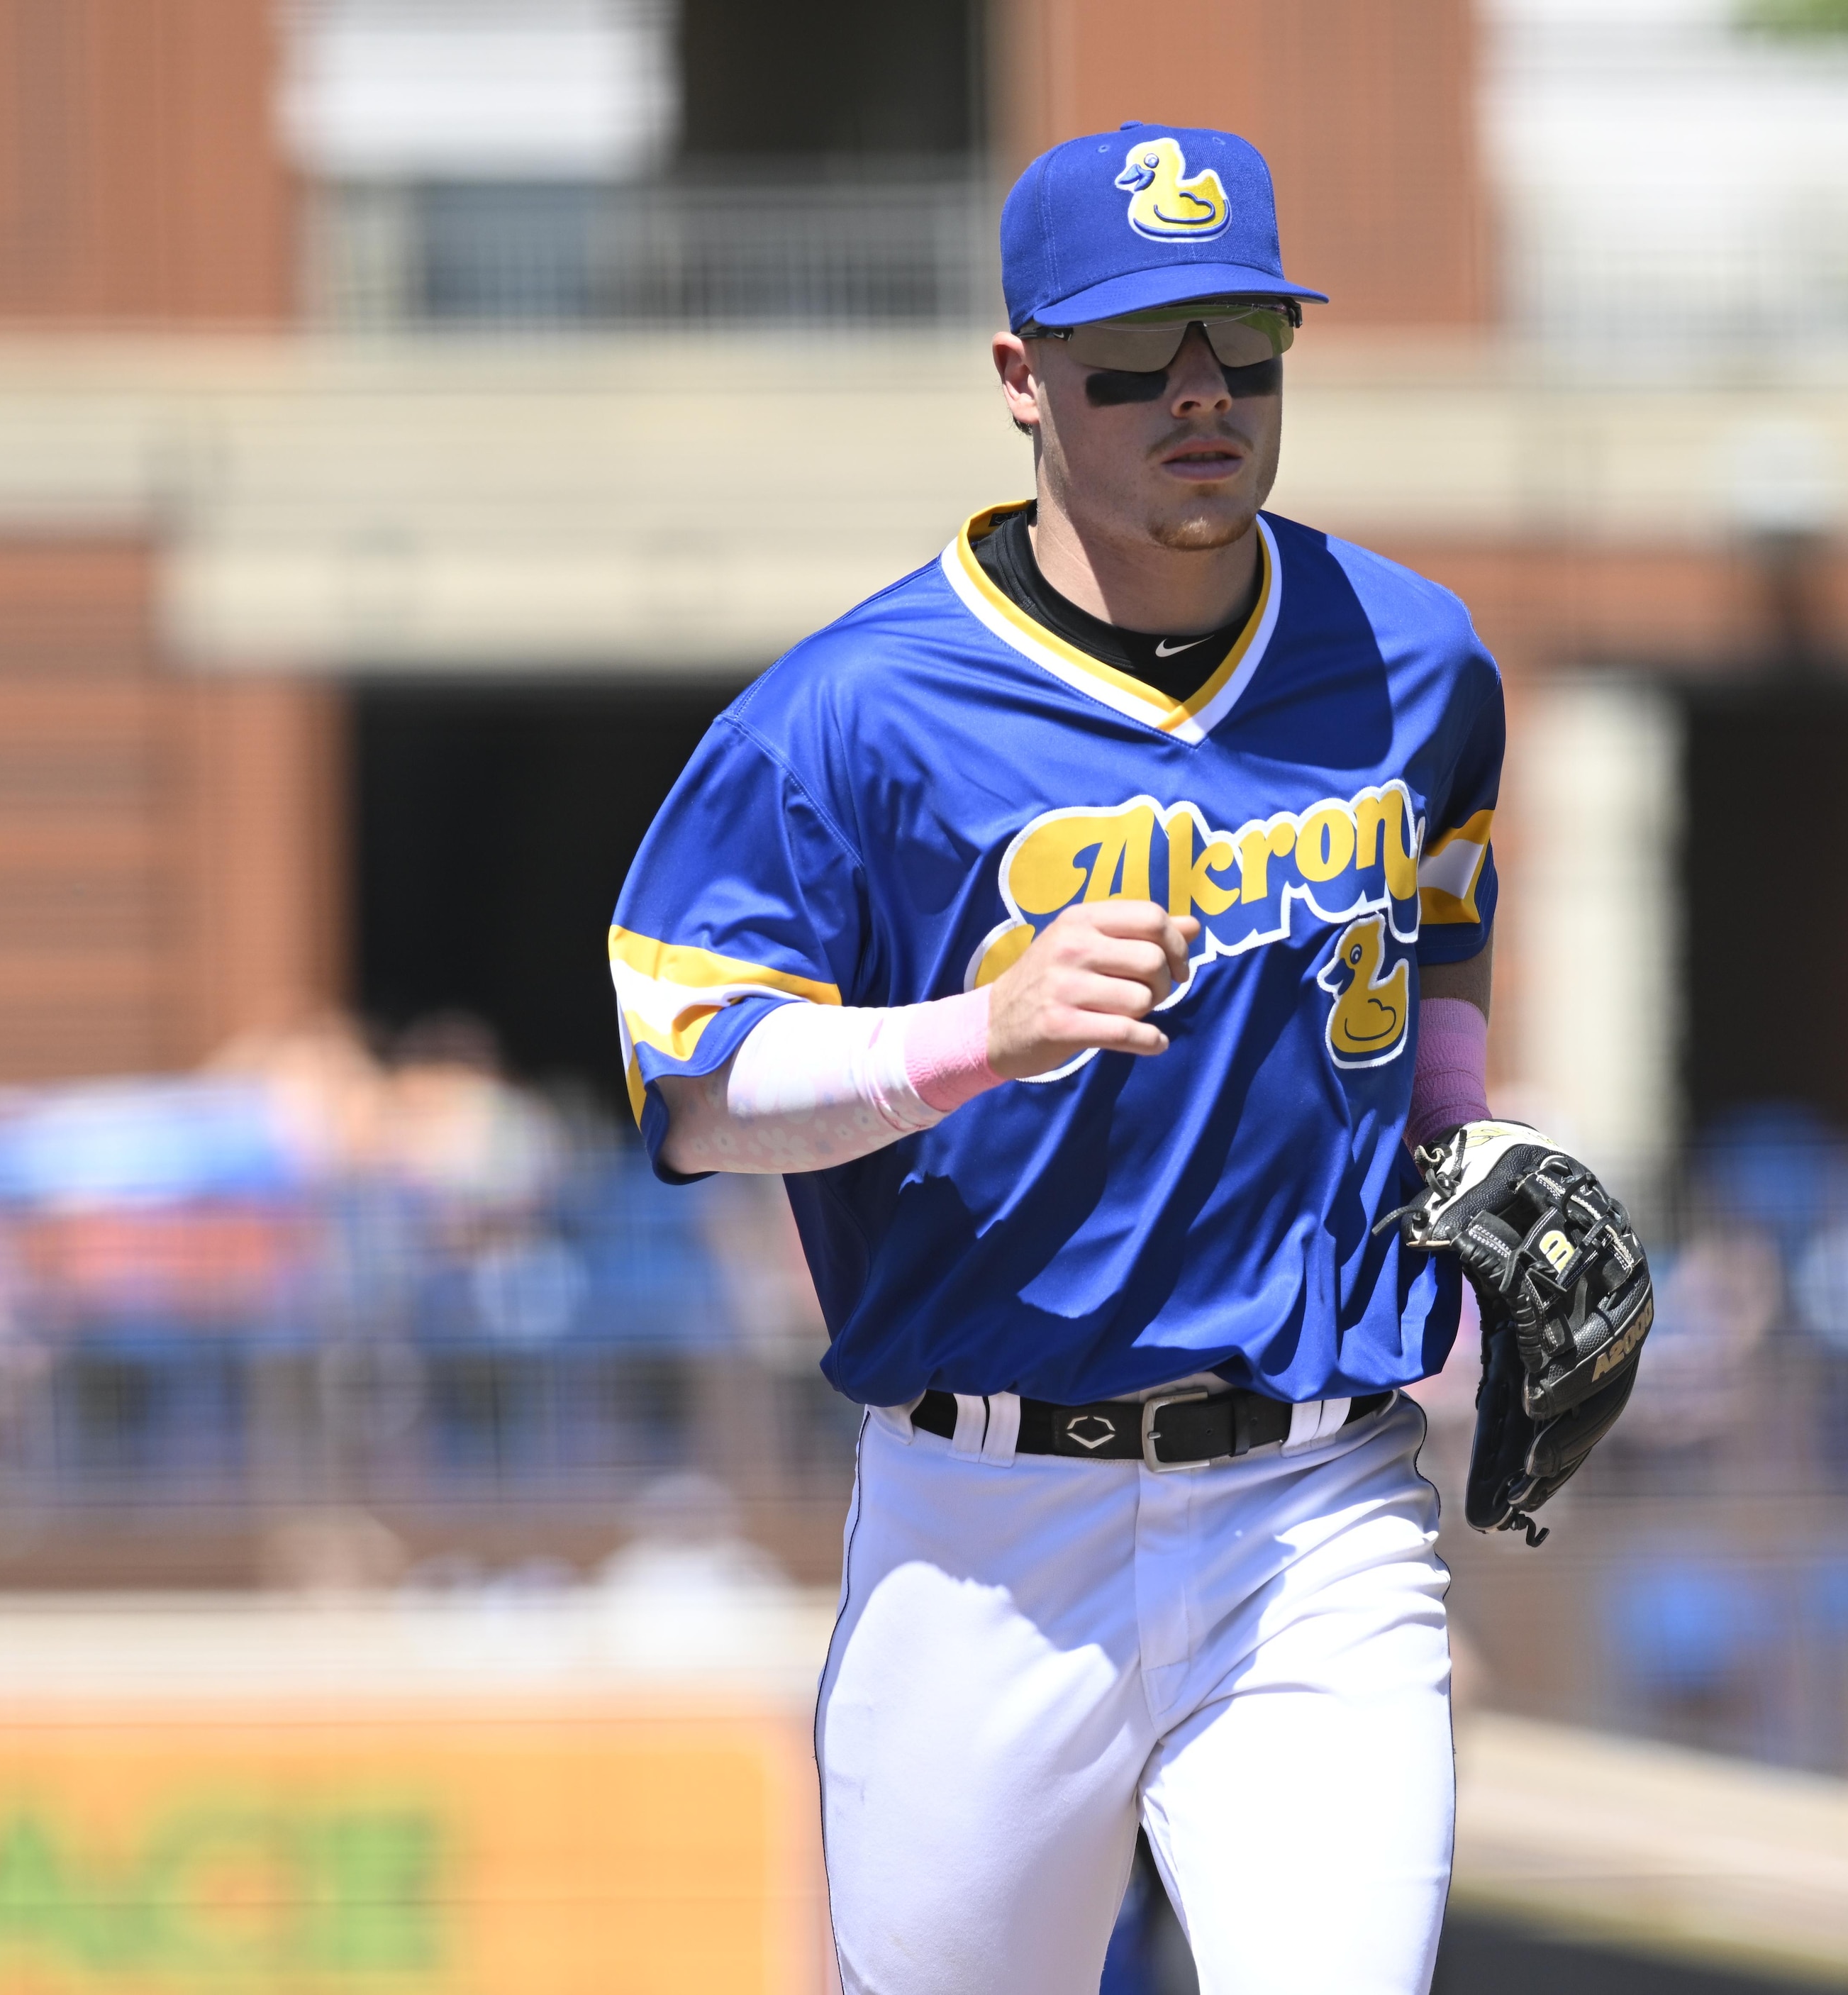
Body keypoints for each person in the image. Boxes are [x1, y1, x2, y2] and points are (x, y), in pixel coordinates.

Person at [608, 124, 1548, 1993]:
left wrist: (1464, 1150)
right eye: (1136, 355)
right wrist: (983, 1033)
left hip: (1314, 1507)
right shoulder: (854, 715)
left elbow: (1436, 941)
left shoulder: (1413, 662)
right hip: (986, 1526)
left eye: (1243, 343)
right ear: (1024, 381)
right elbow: (698, 1095)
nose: (1199, 397)